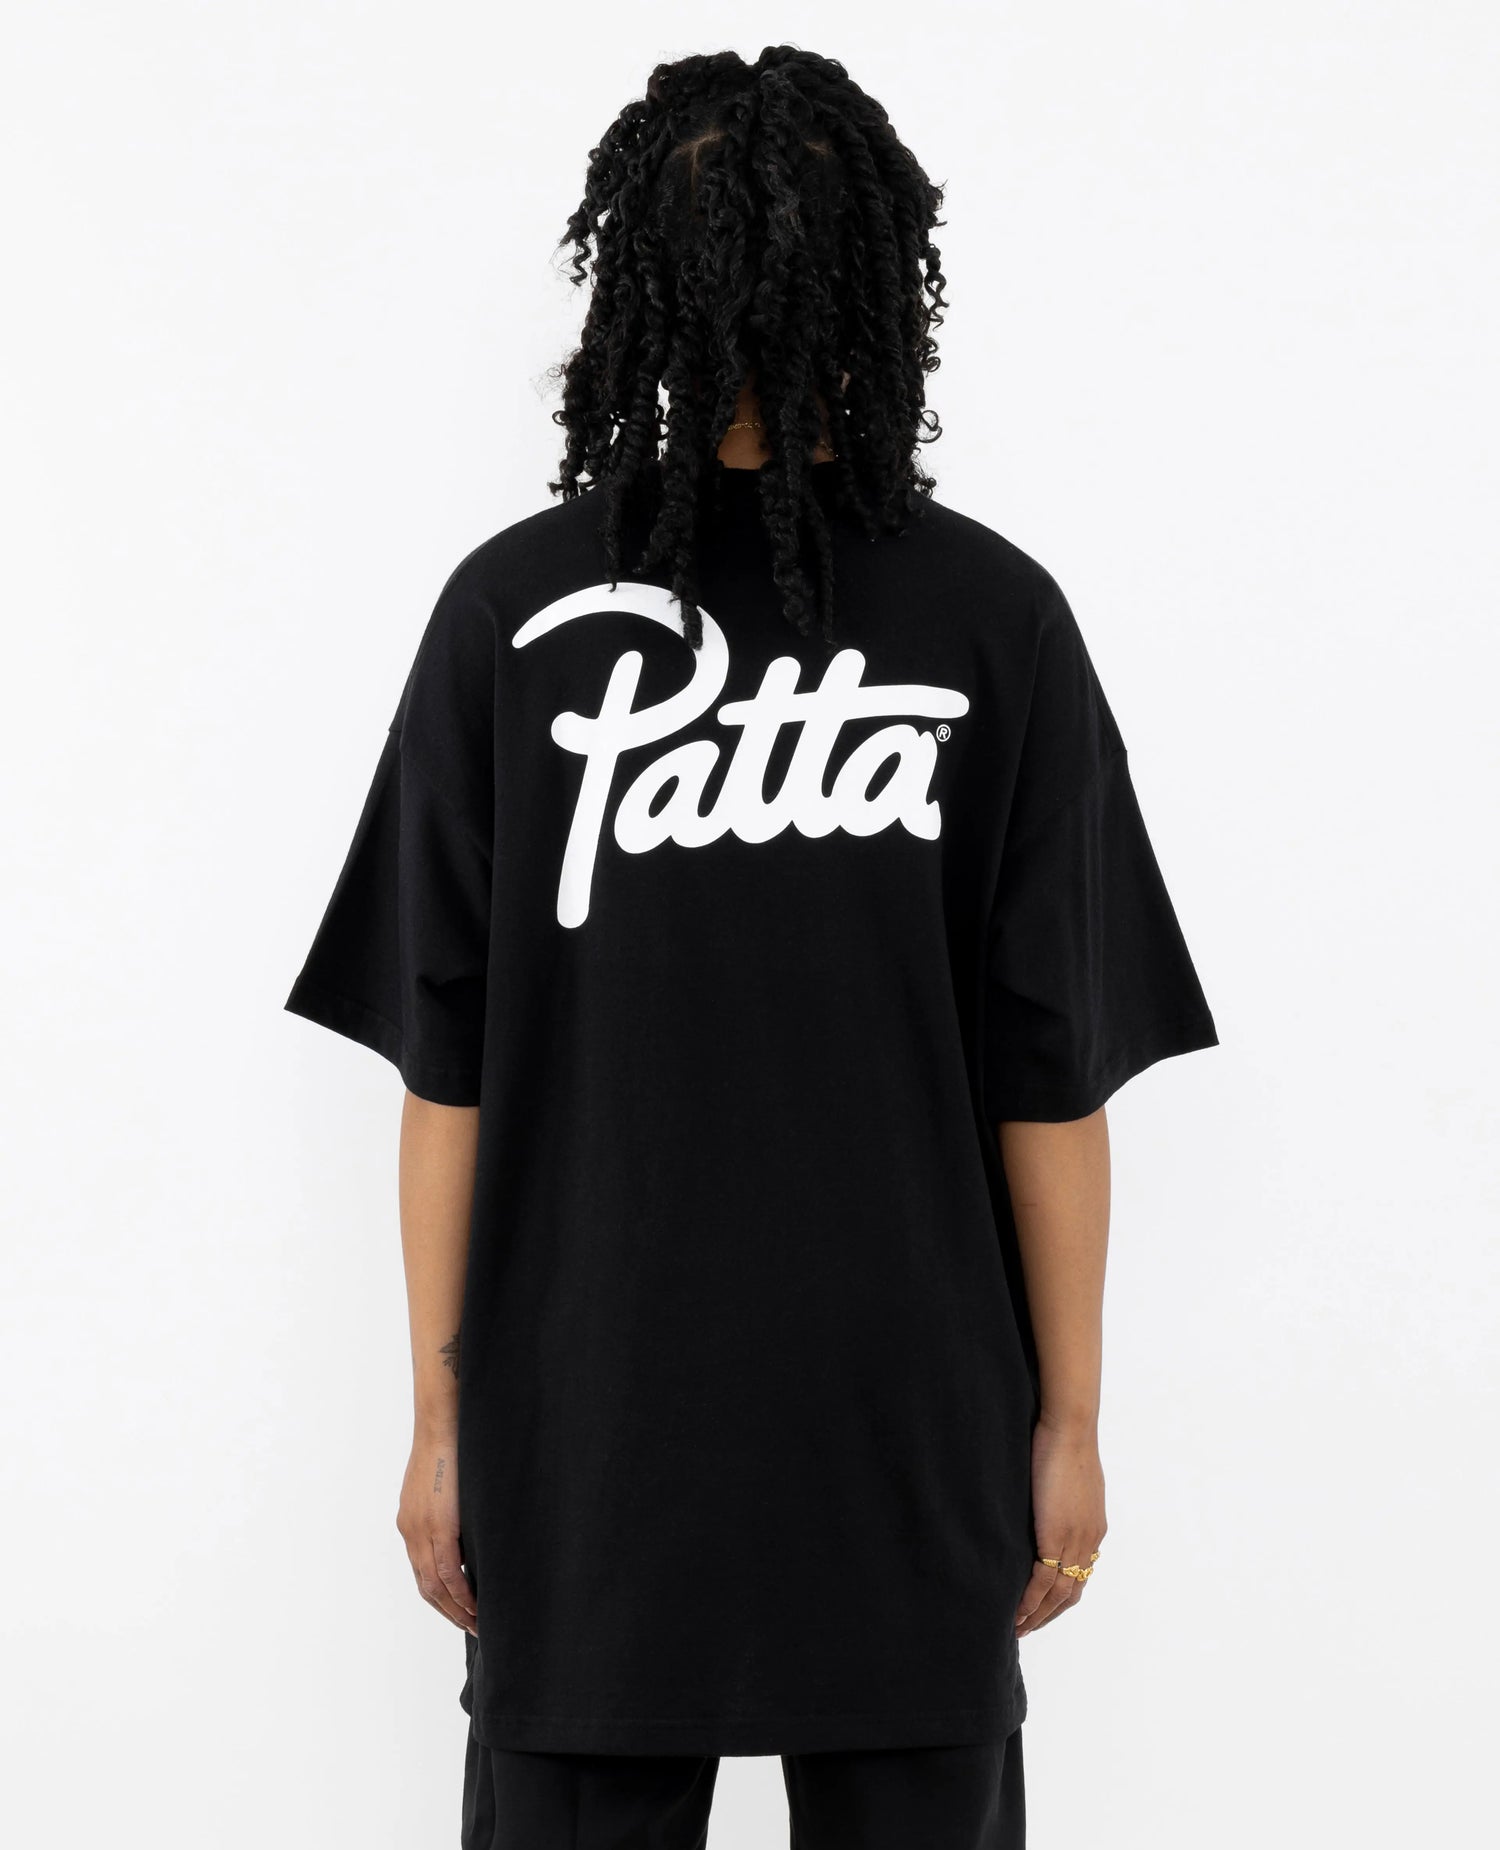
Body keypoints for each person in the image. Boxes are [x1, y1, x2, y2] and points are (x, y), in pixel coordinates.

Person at [285, 45, 1219, 1850]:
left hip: (675, 1430)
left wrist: (440, 1414)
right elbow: (1049, 1083)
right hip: (762, 1434)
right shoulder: (557, 618)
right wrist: (1069, 1418)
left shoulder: (558, 611)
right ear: (877, 277)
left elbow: (444, 1073)